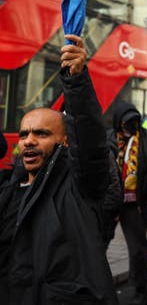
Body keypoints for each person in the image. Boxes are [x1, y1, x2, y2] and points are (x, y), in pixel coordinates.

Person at [0, 35, 117, 304]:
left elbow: (90, 141)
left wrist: (76, 81)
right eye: (24, 134)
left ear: (65, 140)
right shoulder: (9, 188)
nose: (28, 140)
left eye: (41, 134)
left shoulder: (78, 187)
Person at [110, 100, 147, 304]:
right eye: (127, 122)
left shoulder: (146, 139)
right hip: (111, 202)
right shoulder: (110, 139)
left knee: (137, 250)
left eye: (134, 121)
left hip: (134, 203)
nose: (131, 126)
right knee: (96, 243)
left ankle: (140, 290)